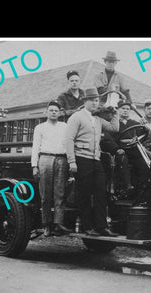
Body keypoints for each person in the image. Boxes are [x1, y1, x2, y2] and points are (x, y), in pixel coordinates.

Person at [65, 88, 120, 237]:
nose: (95, 103)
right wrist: (72, 161)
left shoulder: (98, 119)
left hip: (95, 159)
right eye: (92, 100)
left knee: (101, 192)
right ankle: (86, 226)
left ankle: (102, 227)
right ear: (85, 102)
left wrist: (115, 112)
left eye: (97, 100)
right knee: (84, 193)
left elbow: (114, 128)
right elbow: (69, 139)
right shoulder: (77, 117)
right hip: (81, 159)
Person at [31, 100, 72, 236]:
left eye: (56, 111)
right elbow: (35, 147)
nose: (54, 112)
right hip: (45, 159)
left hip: (61, 159)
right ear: (46, 112)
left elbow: (69, 144)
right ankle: (46, 224)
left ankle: (58, 223)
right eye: (51, 110)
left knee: (60, 193)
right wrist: (34, 166)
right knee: (45, 194)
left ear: (60, 113)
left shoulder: (65, 126)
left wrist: (71, 161)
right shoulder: (40, 128)